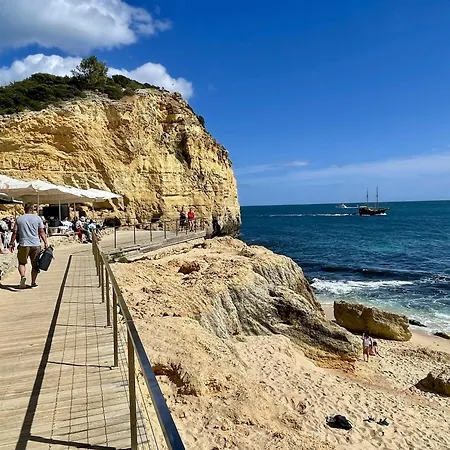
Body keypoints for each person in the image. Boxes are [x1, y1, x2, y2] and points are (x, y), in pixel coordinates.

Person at [9, 203, 48, 289]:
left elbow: (15, 232)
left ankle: (23, 277)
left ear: (24, 209)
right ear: (33, 209)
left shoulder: (19, 219)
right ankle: (33, 283)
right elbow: (41, 231)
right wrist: (45, 242)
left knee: (22, 263)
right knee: (35, 265)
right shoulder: (38, 218)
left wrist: (11, 243)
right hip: (36, 244)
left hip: (23, 244)